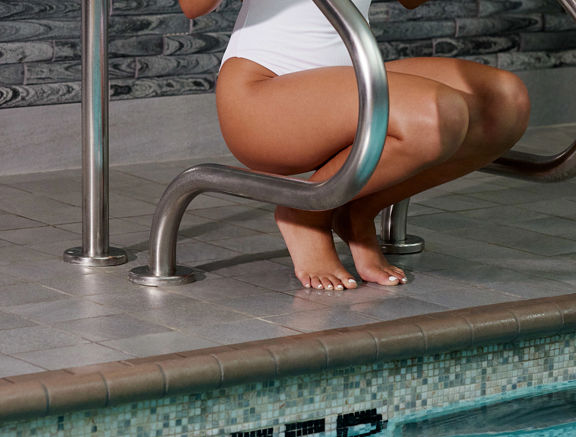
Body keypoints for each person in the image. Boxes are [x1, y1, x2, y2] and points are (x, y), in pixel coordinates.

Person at [179, 0, 530, 291]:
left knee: (502, 103)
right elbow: (193, 6)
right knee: (437, 115)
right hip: (260, 96)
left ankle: (355, 212)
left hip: (351, 80)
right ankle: (307, 210)